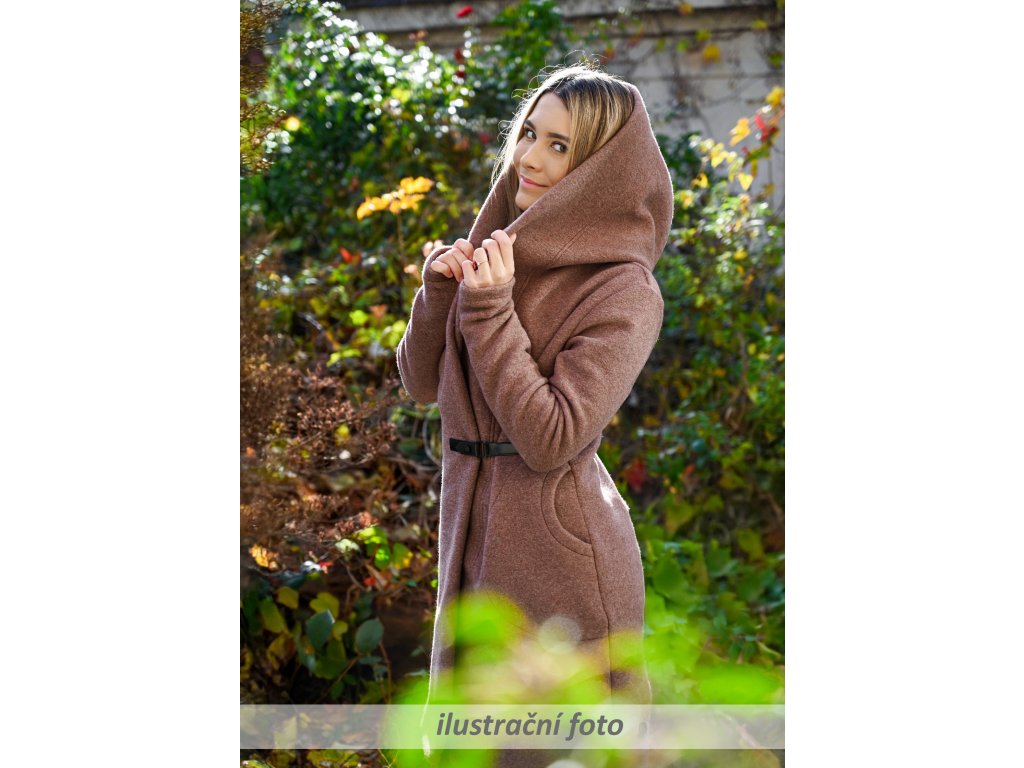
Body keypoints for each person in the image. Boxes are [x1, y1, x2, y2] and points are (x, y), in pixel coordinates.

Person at [396, 63, 673, 713]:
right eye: (529, 133)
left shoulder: (623, 289)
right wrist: (439, 294)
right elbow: (420, 383)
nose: (529, 157)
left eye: (559, 145)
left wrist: (490, 309)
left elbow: (552, 437)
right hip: (470, 530)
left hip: (561, 558)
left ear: (600, 168)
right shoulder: (500, 254)